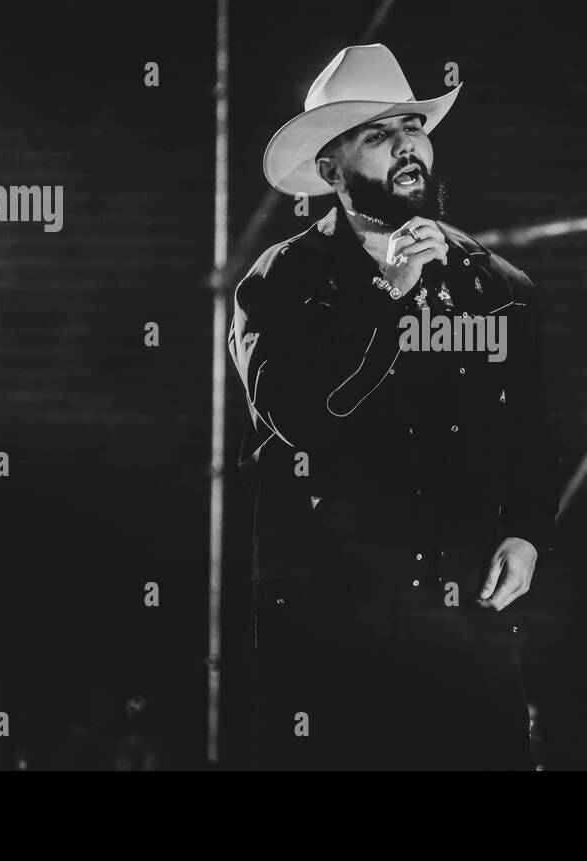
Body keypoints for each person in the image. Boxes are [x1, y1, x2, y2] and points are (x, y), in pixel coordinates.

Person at [228, 44, 559, 769]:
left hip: (465, 633)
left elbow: (532, 436)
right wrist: (390, 296)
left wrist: (528, 533)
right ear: (329, 169)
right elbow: (306, 413)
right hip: (329, 638)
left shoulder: (498, 286)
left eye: (413, 125)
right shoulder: (281, 282)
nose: (407, 144)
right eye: (378, 134)